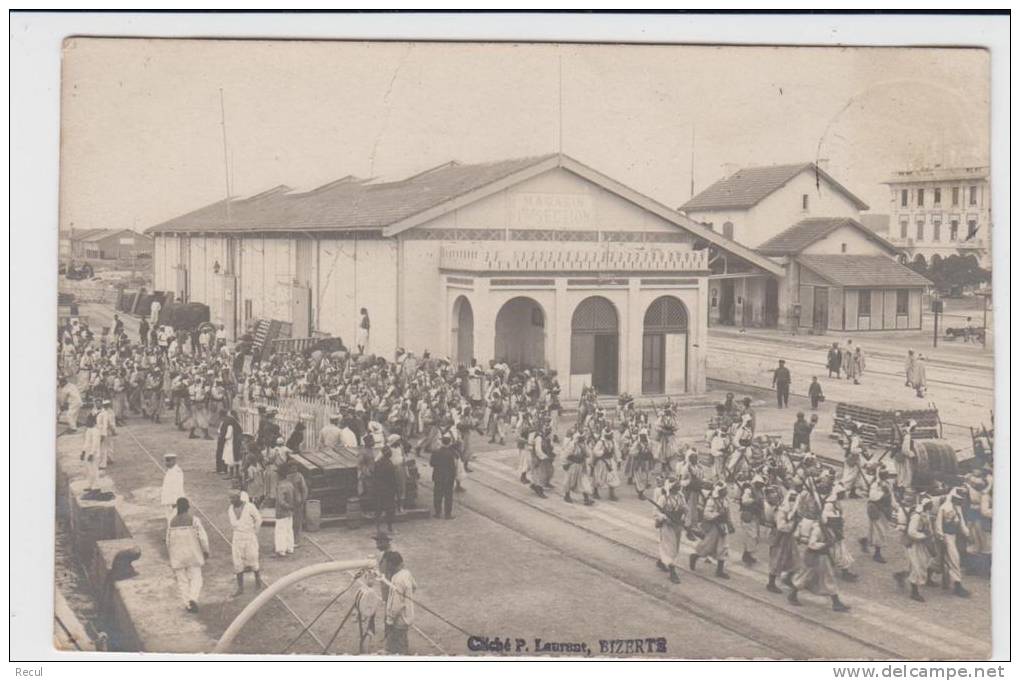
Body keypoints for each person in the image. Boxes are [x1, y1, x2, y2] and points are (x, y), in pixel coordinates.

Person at [787, 517, 851, 612]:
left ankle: (836, 602)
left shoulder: (829, 530)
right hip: (814, 557)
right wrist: (825, 545)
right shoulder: (818, 530)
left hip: (822, 557)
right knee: (807, 576)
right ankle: (792, 595)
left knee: (826, 578)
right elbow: (811, 544)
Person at [166, 497, 210, 613]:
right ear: (188, 507)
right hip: (193, 554)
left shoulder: (172, 521)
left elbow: (167, 541)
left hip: (178, 556)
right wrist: (206, 551)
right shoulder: (194, 520)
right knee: (196, 578)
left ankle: (187, 604)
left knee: (182, 581)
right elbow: (203, 538)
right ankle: (193, 598)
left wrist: (171, 555)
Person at [893, 496, 935, 602]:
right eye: (929, 504)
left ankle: (902, 576)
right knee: (917, 566)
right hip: (915, 543)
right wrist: (923, 535)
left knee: (921, 564)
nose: (931, 506)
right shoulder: (917, 516)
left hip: (922, 544)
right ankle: (914, 592)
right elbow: (911, 532)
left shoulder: (926, 514)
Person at [934, 488, 971, 598]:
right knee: (954, 559)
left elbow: (961, 522)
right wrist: (941, 536)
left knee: (941, 559)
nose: (960, 501)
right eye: (957, 499)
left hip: (954, 536)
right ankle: (957, 585)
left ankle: (930, 573)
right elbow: (938, 524)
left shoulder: (958, 508)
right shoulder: (945, 508)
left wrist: (967, 534)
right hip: (946, 536)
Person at [690, 482, 732, 579]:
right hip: (714, 526)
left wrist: (730, 523)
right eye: (724, 490)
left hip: (723, 526)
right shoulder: (712, 501)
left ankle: (719, 570)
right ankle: (694, 556)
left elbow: (728, 512)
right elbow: (706, 514)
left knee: (723, 547)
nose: (726, 491)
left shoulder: (726, 500)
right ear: (720, 491)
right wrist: (717, 514)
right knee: (708, 546)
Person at [228, 490, 265, 596]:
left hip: (249, 535)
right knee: (237, 561)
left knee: (253, 558)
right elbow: (233, 524)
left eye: (233, 498)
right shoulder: (230, 509)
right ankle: (240, 588)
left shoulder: (249, 506)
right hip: (237, 537)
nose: (231, 501)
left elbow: (258, 519)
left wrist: (254, 531)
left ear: (239, 497)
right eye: (230, 498)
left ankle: (258, 579)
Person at [653, 477, 686, 584]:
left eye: (678, 485)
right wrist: (666, 518)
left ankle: (661, 561)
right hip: (667, 526)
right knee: (670, 546)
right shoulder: (663, 498)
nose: (678, 487)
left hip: (677, 525)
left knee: (675, 546)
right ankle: (672, 571)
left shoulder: (681, 496)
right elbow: (656, 512)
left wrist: (683, 516)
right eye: (676, 485)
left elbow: (684, 507)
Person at [766, 490, 800, 594]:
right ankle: (771, 583)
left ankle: (788, 578)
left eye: (795, 499)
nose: (793, 502)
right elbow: (781, 526)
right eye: (791, 499)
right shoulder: (782, 511)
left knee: (793, 558)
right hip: (779, 537)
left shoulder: (793, 511)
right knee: (777, 559)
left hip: (788, 538)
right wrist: (792, 525)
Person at [383, 551, 416, 655]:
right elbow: (415, 586)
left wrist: (389, 620)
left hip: (399, 620)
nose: (386, 567)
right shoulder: (407, 573)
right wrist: (407, 598)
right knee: (403, 642)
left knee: (397, 649)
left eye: (386, 564)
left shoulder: (397, 579)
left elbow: (395, 605)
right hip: (407, 617)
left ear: (391, 564)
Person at [429, 434, 458, 519]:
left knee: (437, 495)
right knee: (448, 496)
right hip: (448, 478)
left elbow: (431, 464)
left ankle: (437, 512)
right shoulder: (451, 454)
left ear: (441, 442)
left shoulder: (435, 452)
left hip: (437, 476)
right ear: (449, 443)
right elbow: (453, 467)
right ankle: (447, 514)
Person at [374, 446, 399, 533]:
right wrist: (395, 490)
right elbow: (392, 479)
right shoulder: (390, 464)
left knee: (378, 508)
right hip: (388, 490)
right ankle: (390, 527)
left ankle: (378, 527)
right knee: (390, 509)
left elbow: (375, 476)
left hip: (379, 489)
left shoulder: (377, 463)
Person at [274, 464, 296, 557]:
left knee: (280, 530)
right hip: (290, 512)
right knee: (289, 529)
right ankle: (290, 547)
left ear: (280, 475)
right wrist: (291, 507)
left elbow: (281, 501)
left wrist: (287, 506)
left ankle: (281, 549)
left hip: (282, 512)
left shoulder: (281, 486)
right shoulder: (290, 484)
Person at [80, 413, 102, 494]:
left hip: (94, 454)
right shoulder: (88, 430)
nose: (86, 422)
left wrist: (92, 454)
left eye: (88, 421)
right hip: (87, 452)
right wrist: (83, 452)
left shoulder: (96, 431)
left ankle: (96, 486)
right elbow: (86, 442)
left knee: (94, 470)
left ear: (93, 422)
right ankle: (90, 484)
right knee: (88, 470)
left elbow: (95, 444)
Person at [216, 409, 243, 477]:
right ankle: (234, 473)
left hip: (231, 442)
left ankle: (231, 473)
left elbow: (228, 434)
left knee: (230, 456)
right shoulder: (233, 421)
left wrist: (223, 437)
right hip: (234, 441)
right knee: (234, 457)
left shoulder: (228, 422)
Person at [287, 466, 309, 545]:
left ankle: (295, 540)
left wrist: (303, 499)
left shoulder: (296, 476)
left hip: (295, 501)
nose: (293, 469)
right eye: (292, 467)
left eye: (294, 467)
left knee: (296, 521)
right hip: (292, 501)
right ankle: (293, 540)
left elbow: (304, 489)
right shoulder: (290, 476)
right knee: (293, 521)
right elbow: (304, 488)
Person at [161, 453, 185, 524]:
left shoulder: (177, 472)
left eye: (168, 461)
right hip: (168, 502)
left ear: (174, 461)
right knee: (170, 522)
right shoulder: (170, 470)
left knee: (174, 522)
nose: (166, 463)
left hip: (174, 503)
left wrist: (175, 502)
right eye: (166, 461)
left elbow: (178, 488)